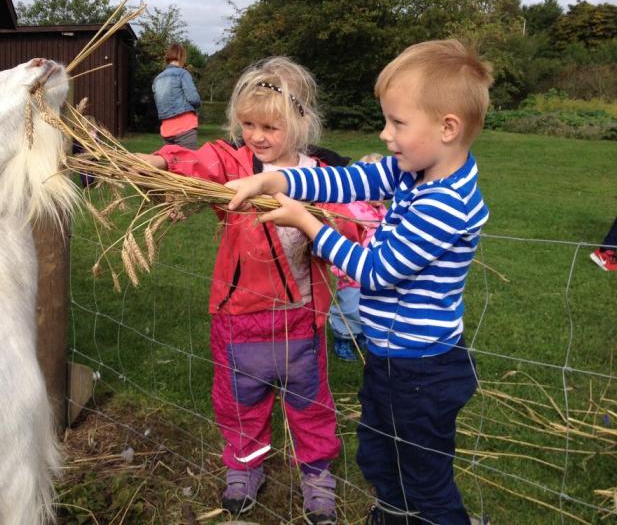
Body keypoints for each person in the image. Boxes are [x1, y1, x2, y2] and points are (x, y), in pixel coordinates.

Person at [226, 40, 493, 525]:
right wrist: (275, 182)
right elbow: (345, 183)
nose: (384, 133)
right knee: (381, 457)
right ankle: (391, 514)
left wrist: (307, 224)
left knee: (423, 478)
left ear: (447, 127)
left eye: (397, 123)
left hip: (422, 372)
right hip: (393, 359)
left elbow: (374, 270)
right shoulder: (416, 173)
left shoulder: (445, 204)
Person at [138, 57, 344, 524]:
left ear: (302, 121)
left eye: (270, 125)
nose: (257, 136)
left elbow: (347, 235)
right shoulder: (233, 164)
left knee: (310, 405)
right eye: (248, 124)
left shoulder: (322, 175)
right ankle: (245, 466)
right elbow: (193, 161)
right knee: (239, 402)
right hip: (238, 316)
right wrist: (156, 161)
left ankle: (317, 476)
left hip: (301, 317)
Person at [328, 153, 386, 362]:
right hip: (351, 272)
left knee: (369, 305)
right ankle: (343, 336)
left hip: (374, 271)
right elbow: (340, 240)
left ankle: (362, 333)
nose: (380, 192)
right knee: (349, 306)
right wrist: (341, 269)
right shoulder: (350, 211)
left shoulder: (383, 211)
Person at [152, 43, 201, 149]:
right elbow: (194, 99)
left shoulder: (157, 79)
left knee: (172, 164)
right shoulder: (183, 74)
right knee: (188, 163)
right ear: (182, 57)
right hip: (185, 127)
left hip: (167, 129)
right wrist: (198, 105)